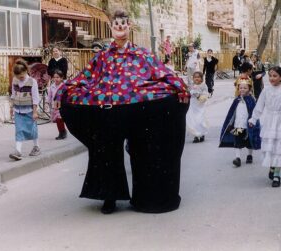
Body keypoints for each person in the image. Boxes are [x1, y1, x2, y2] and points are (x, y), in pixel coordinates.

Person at [55, 10, 190, 214]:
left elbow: (162, 73)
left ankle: (148, 197)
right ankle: (110, 197)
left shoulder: (142, 54)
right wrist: (61, 93)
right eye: (116, 24)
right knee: (107, 150)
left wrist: (180, 88)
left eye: (123, 24)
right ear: (111, 28)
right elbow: (84, 78)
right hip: (109, 113)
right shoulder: (102, 57)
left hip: (138, 112)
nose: (119, 27)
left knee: (145, 148)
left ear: (129, 27)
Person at [249, 66, 281, 187]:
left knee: (280, 149)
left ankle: (277, 175)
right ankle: (272, 166)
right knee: (271, 148)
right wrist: (254, 118)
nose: (272, 78)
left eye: (275, 76)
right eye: (270, 75)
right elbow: (259, 106)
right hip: (269, 121)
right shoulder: (266, 90)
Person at [219, 79, 261, 167]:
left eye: (245, 88)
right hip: (237, 126)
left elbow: (254, 112)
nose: (242, 89)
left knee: (250, 142)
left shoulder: (251, 100)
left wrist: (253, 122)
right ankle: (237, 158)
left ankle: (250, 155)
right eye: (240, 88)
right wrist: (230, 124)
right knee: (237, 141)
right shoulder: (236, 100)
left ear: (249, 89)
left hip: (248, 126)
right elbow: (232, 113)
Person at [9, 59, 40, 161]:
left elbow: (35, 98)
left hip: (30, 110)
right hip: (18, 110)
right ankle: (18, 151)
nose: (20, 79)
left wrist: (35, 112)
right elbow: (13, 94)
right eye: (18, 77)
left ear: (26, 71)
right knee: (19, 130)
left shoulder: (32, 82)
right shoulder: (15, 80)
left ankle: (36, 147)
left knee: (32, 129)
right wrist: (11, 107)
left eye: (21, 76)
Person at [186, 71, 209, 143]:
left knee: (200, 120)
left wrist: (199, 95)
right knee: (193, 120)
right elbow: (187, 93)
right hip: (192, 105)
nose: (196, 78)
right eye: (195, 77)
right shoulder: (191, 85)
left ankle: (202, 134)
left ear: (201, 79)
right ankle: (196, 136)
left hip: (200, 105)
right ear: (193, 78)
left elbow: (205, 95)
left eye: (198, 77)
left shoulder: (203, 85)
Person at [48, 70, 67, 140]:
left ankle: (62, 133)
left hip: (62, 105)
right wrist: (48, 103)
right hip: (54, 106)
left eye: (58, 77)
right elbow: (50, 96)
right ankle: (62, 131)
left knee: (60, 119)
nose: (56, 79)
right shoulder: (52, 86)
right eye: (54, 77)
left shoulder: (64, 86)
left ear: (62, 78)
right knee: (57, 120)